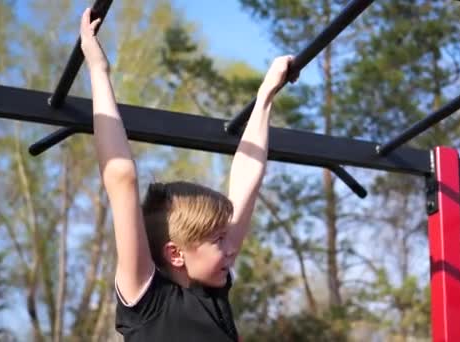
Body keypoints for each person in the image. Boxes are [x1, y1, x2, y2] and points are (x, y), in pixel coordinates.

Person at [79, 7, 297, 341]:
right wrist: (97, 67)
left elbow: (246, 178)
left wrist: (266, 94)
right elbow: (121, 177)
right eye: (218, 240)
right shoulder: (147, 301)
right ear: (176, 254)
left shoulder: (212, 291)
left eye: (225, 237)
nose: (230, 249)